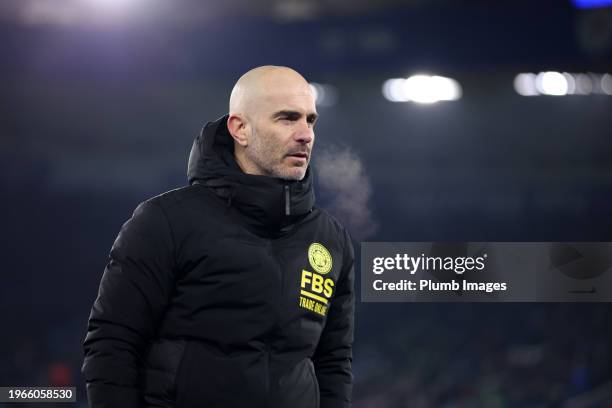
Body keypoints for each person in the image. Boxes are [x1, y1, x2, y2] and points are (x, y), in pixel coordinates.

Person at [82, 65, 355, 408]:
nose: (305, 134)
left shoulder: (331, 240)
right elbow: (112, 343)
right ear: (240, 128)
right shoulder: (165, 222)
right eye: (287, 118)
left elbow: (333, 362)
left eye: (310, 120)